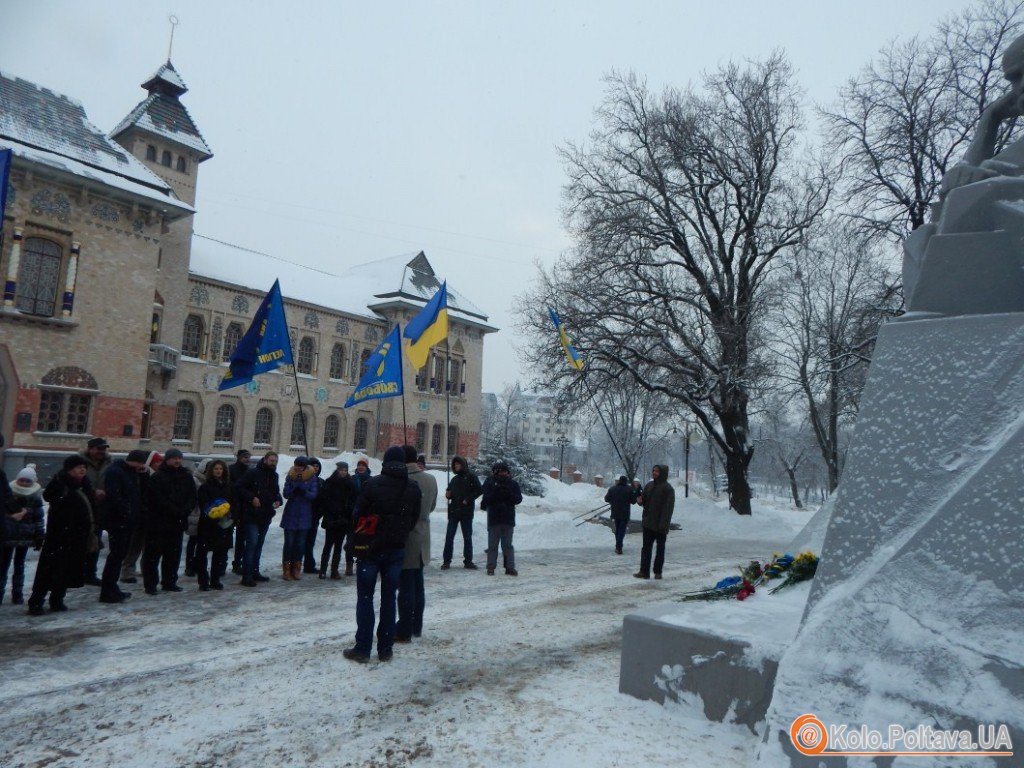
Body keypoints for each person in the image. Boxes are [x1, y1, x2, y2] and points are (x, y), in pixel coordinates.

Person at [343, 445, 420, 664]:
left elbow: (357, 515)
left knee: (365, 597)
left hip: (370, 550)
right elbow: (412, 520)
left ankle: (363, 647)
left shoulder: (372, 485)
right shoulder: (412, 488)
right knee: (388, 598)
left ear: (385, 462)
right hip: (396, 549)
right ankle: (385, 648)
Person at [27, 455, 94, 615]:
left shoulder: (84, 484)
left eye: (84, 467)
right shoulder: (60, 483)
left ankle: (57, 599)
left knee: (66, 570)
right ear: (69, 469)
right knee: (48, 570)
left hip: (76, 536)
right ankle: (36, 601)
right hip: (59, 535)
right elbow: (50, 497)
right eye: (79, 467)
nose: (83, 470)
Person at [142, 448, 197, 594]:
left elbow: (192, 495)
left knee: (173, 555)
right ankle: (150, 584)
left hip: (177, 522)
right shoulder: (158, 476)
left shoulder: (185, 475)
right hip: (158, 522)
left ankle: (169, 581)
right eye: (174, 458)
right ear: (167, 459)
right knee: (153, 556)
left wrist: (185, 510)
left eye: (179, 458)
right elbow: (155, 498)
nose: (177, 461)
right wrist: (174, 510)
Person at [396, 445, 437, 643]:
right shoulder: (430, 479)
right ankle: (416, 626)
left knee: (405, 586)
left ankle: (404, 628)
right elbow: (433, 506)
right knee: (418, 584)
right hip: (423, 536)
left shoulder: (403, 480)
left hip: (406, 537)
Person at [99, 450, 149, 603]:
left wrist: (144, 475)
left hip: (127, 520)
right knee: (116, 555)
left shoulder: (131, 472)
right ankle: (108, 590)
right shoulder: (116, 472)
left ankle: (111, 587)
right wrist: (126, 511)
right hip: (118, 520)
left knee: (119, 554)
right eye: (141, 463)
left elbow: (140, 492)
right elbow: (114, 496)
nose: (141, 466)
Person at [235, 451, 283, 587]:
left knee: (259, 544)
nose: (273, 463)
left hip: (265, 515)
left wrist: (278, 500)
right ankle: (247, 575)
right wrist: (251, 498)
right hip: (251, 514)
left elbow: (276, 492)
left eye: (275, 461)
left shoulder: (274, 476)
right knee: (251, 544)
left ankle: (255, 571)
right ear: (265, 460)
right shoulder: (253, 473)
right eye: (271, 461)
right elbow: (239, 486)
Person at [2, 465, 44, 605]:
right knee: (3, 566)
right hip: (8, 535)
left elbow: (39, 519)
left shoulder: (35, 499)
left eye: (28, 481)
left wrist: (39, 534)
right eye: (22, 480)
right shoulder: (7, 495)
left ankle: (17, 594)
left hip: (25, 536)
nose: (25, 483)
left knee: (19, 565)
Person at [119, 451, 161, 584]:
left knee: (147, 547)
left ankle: (145, 569)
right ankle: (127, 571)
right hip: (140, 515)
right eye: (157, 461)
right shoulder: (140, 474)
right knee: (135, 545)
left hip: (150, 515)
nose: (160, 464)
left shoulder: (153, 475)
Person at [195, 459, 235, 591]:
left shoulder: (228, 486)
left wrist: (229, 513)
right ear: (211, 471)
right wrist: (214, 511)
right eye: (216, 469)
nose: (218, 471)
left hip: (224, 525)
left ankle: (215, 579)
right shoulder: (205, 487)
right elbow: (203, 503)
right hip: (208, 525)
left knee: (220, 554)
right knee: (202, 553)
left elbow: (233, 502)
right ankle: (203, 581)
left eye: (220, 469)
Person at [480, 461, 523, 576]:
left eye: (506, 472)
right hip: (494, 519)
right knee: (492, 546)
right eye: (502, 472)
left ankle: (509, 567)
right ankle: (491, 567)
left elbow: (518, 499)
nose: (504, 474)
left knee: (507, 546)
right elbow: (485, 501)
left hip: (508, 519)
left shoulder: (513, 484)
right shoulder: (490, 483)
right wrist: (495, 493)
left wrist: (509, 494)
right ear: (496, 472)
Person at [317, 460, 358, 579]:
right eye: (341, 470)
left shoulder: (351, 484)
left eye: (345, 470)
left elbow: (353, 501)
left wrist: (347, 514)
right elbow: (324, 500)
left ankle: (334, 570)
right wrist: (330, 512)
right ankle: (323, 570)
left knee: (338, 546)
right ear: (337, 470)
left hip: (344, 520)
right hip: (331, 519)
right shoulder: (330, 482)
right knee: (328, 545)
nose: (343, 472)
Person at [280, 456, 319, 581]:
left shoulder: (312, 478)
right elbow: (285, 493)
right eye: (296, 465)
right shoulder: (290, 476)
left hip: (304, 514)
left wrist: (304, 492)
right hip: (291, 513)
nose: (297, 468)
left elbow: (314, 494)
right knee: (289, 544)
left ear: (305, 467)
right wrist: (293, 489)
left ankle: (296, 568)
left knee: (300, 544)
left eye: (300, 466)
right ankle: (286, 569)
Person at [79, 436, 111, 586]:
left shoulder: (109, 463)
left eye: (104, 449)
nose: (102, 451)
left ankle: (90, 573)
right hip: (83, 506)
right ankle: (77, 572)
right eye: (99, 448)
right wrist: (92, 492)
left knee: (95, 541)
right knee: (80, 540)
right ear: (90, 449)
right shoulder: (79, 462)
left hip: (101, 508)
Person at [634, 464, 675, 580]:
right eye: (653, 470)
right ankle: (644, 571)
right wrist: (639, 500)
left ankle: (658, 572)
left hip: (660, 526)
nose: (654, 472)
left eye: (657, 471)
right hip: (648, 523)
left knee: (660, 549)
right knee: (646, 548)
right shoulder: (649, 485)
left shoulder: (668, 489)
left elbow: (668, 509)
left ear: (662, 473)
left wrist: (663, 525)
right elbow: (644, 501)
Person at [441, 455, 482, 570]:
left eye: (458, 464)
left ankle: (468, 561)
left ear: (463, 465)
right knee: (449, 537)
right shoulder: (454, 479)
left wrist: (467, 499)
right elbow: (449, 494)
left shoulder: (471, 477)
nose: (456, 466)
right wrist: (448, 494)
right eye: (454, 465)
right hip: (454, 511)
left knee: (467, 537)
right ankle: (446, 561)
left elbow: (479, 490)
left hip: (466, 512)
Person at [228, 449, 251, 574]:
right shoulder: (231, 469)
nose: (247, 459)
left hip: (244, 508)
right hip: (232, 507)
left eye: (248, 457)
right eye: (244, 457)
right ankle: (222, 564)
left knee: (241, 538)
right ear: (239, 457)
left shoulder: (249, 471)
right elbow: (229, 486)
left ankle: (237, 563)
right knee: (227, 536)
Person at [183, 459, 207, 578]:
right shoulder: (195, 480)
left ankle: (198, 565)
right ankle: (189, 566)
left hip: (206, 514)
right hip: (195, 513)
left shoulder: (210, 481)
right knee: (193, 541)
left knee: (202, 542)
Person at [302, 458, 325, 574]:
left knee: (310, 542)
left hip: (315, 516)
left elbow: (324, 499)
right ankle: (294, 565)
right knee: (300, 542)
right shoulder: (303, 480)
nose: (315, 468)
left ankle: (309, 565)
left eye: (317, 466)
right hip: (303, 515)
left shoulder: (321, 482)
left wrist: (320, 513)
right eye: (313, 465)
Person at [605, 475, 634, 555]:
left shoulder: (612, 489)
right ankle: (619, 547)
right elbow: (633, 501)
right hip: (625, 514)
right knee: (621, 530)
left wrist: (613, 500)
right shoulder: (629, 489)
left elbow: (606, 499)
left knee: (618, 530)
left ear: (619, 481)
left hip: (615, 513)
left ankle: (618, 546)